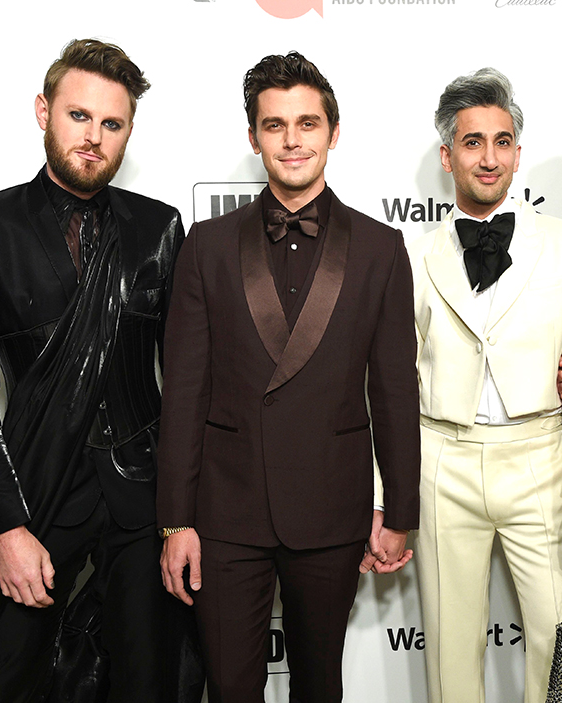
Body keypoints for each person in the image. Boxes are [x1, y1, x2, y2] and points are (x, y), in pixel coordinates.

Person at [0, 39, 200, 703]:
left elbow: (190, 384)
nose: (93, 137)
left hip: (142, 498)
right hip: (37, 490)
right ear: (43, 111)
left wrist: (181, 516)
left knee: (151, 679)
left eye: (111, 124)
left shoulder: (158, 228)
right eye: (79, 116)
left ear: (128, 132)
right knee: (7, 674)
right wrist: (6, 530)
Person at [155, 51, 420, 703]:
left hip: (332, 507)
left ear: (334, 131)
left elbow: (394, 389)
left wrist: (400, 510)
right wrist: (174, 521)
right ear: (253, 138)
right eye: (275, 125)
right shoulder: (207, 244)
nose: (292, 139)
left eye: (307, 123)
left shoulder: (381, 247)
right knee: (231, 687)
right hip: (224, 510)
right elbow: (183, 391)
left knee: (319, 684)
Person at [407, 68, 562, 703]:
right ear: (447, 155)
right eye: (472, 142)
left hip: (542, 464)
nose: (488, 157)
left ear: (518, 152)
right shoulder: (408, 256)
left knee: (561, 643)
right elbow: (388, 378)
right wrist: (386, 494)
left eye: (501, 141)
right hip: (442, 463)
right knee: (448, 652)